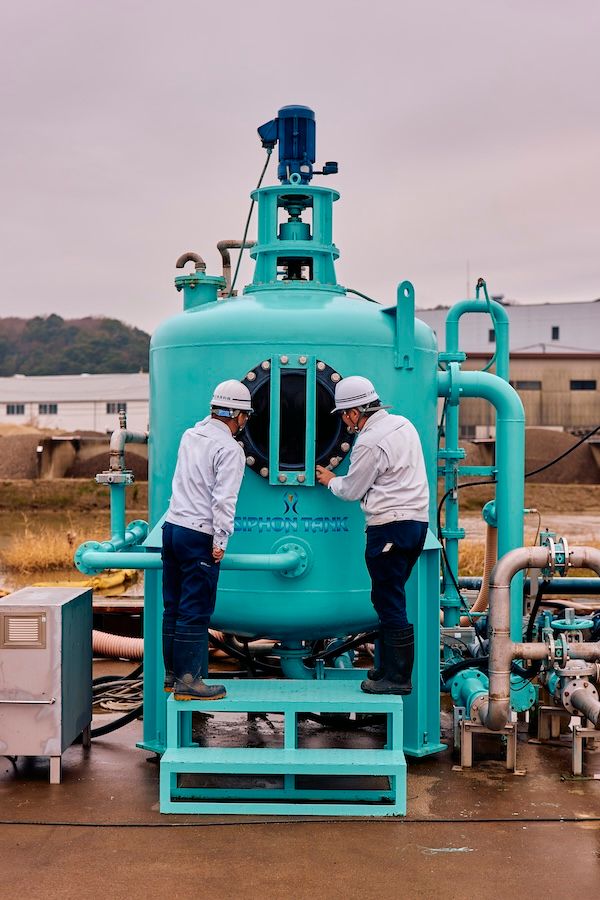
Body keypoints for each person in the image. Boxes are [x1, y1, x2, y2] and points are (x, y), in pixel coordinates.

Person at [316, 376, 429, 695]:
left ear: (354, 412)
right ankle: (387, 669)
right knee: (392, 596)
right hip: (416, 525)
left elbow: (352, 490)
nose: (344, 421)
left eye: (343, 415)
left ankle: (398, 678)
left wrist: (328, 480)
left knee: (387, 599)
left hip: (388, 527)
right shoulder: (403, 424)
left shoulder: (369, 440)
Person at [161, 379, 252, 700]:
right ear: (237, 416)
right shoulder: (229, 449)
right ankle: (189, 681)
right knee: (194, 610)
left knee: (172, 606)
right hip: (199, 533)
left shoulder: (191, 435)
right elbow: (224, 499)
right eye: (245, 416)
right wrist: (221, 540)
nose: (245, 423)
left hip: (172, 529)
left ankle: (172, 676)